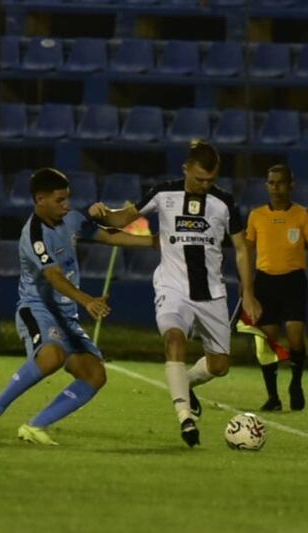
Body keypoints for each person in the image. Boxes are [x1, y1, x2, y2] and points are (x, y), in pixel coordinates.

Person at [89, 140, 261, 448]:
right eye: (198, 179)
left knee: (220, 365)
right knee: (174, 339)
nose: (204, 185)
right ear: (186, 169)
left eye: (210, 180)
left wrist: (248, 294)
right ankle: (186, 419)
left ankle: (187, 383)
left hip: (212, 294)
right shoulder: (163, 193)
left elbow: (242, 250)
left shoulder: (224, 203)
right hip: (172, 288)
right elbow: (122, 219)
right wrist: (101, 212)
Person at [0, 167, 157, 445]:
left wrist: (153, 242)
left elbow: (109, 235)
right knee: (51, 357)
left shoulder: (71, 219)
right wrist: (88, 301)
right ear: (40, 200)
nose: (66, 205)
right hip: (38, 309)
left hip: (66, 314)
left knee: (95, 374)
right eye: (60, 200)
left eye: (67, 198)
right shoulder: (34, 235)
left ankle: (36, 426)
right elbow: (54, 277)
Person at [245, 164, 308, 411]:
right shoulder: (256, 215)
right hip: (265, 282)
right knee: (267, 341)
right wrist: (247, 287)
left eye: (280, 182)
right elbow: (246, 253)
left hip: (293, 281)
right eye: (271, 182)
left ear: (291, 185)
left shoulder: (302, 214)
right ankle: (273, 397)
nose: (275, 188)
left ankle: (296, 383)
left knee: (295, 337)